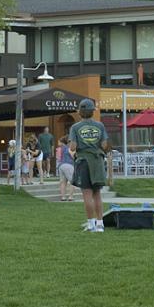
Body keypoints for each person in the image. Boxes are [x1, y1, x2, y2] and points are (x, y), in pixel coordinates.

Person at [69, 99, 111, 233]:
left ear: (80, 112)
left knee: (87, 193)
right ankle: (100, 224)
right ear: (93, 111)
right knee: (97, 193)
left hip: (83, 161)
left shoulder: (75, 127)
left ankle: (91, 224)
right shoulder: (100, 125)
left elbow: (73, 147)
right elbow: (105, 145)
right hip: (97, 160)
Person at [56, 136, 76, 201]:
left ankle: (63, 197)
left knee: (63, 182)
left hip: (61, 165)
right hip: (69, 165)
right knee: (72, 181)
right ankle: (70, 197)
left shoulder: (62, 148)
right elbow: (72, 155)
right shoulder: (70, 148)